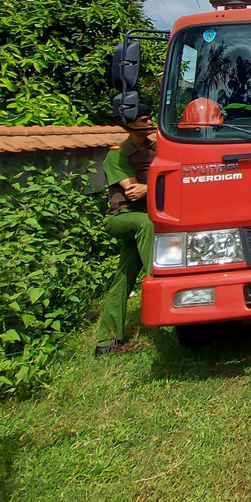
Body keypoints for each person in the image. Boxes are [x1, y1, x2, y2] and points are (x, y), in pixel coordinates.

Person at [95, 104, 158, 356]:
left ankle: (106, 341)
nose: (150, 122)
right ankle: (160, 276)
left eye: (150, 118)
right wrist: (152, 187)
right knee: (146, 224)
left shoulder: (157, 149)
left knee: (124, 276)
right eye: (144, 119)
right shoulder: (118, 154)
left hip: (146, 215)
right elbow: (132, 190)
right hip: (124, 217)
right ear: (131, 125)